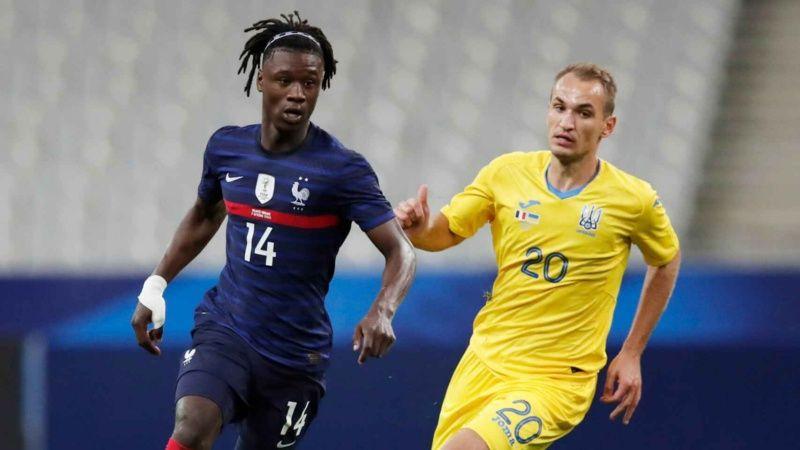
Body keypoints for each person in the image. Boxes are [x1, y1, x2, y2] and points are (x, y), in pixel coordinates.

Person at [130, 12, 416, 450]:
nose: (297, 94)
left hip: (295, 356)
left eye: (310, 83)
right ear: (261, 80)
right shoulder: (226, 148)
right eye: (285, 80)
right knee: (192, 425)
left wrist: (383, 309)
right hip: (227, 327)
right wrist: (155, 285)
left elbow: (401, 251)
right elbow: (205, 215)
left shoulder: (343, 170)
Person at [395, 63, 681, 450]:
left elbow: (666, 259)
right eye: (559, 107)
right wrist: (419, 230)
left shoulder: (634, 199)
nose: (567, 122)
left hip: (555, 382)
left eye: (584, 113)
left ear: (607, 126)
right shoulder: (506, 173)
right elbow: (445, 232)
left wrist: (632, 352)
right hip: (483, 360)